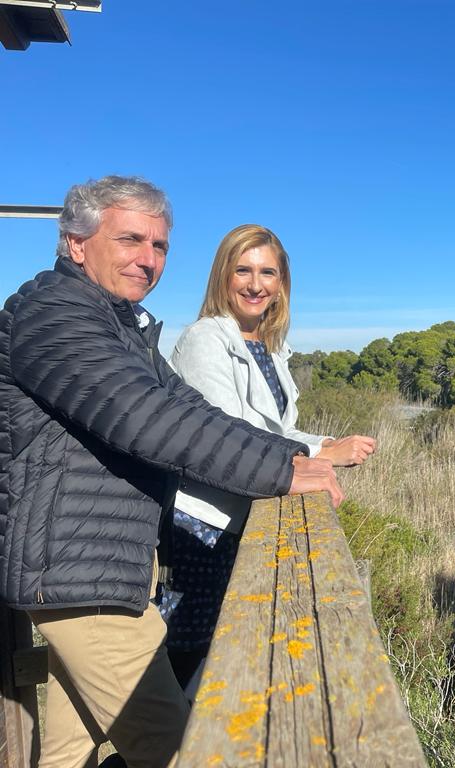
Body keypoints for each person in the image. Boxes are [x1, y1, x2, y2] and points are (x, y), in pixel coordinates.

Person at [0, 176, 344, 768]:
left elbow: (189, 408)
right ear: (75, 243)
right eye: (131, 239)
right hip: (74, 574)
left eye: (159, 246)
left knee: (69, 750)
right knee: (179, 747)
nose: (148, 259)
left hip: (99, 568)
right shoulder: (53, 316)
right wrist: (280, 469)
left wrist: (291, 456)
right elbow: (147, 419)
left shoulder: (120, 326)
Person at [158, 224, 375, 685]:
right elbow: (222, 432)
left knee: (231, 646)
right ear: (223, 276)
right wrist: (315, 455)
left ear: (281, 285)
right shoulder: (206, 340)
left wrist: (323, 447)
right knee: (191, 652)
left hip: (245, 512)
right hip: (205, 521)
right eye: (243, 270)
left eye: (267, 273)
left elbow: (274, 428)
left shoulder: (268, 347)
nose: (255, 284)